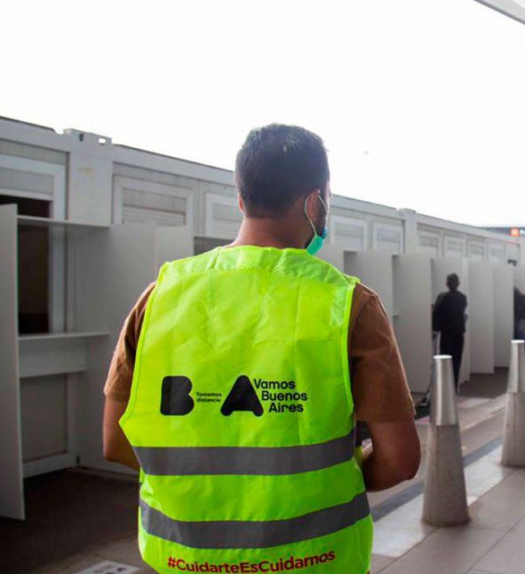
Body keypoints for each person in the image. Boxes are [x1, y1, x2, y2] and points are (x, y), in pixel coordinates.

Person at [102, 124, 420, 574]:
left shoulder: (159, 298)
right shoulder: (349, 305)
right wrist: (321, 485)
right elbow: (401, 460)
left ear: (241, 199)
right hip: (316, 561)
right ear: (315, 203)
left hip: (182, 559)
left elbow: (116, 442)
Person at [433, 273, 468, 386]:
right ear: (458, 284)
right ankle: (454, 385)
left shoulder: (443, 298)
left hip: (447, 334)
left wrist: (435, 328)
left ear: (447, 284)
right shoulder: (462, 298)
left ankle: (445, 385)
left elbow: (437, 314)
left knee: (445, 361)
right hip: (459, 333)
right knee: (456, 361)